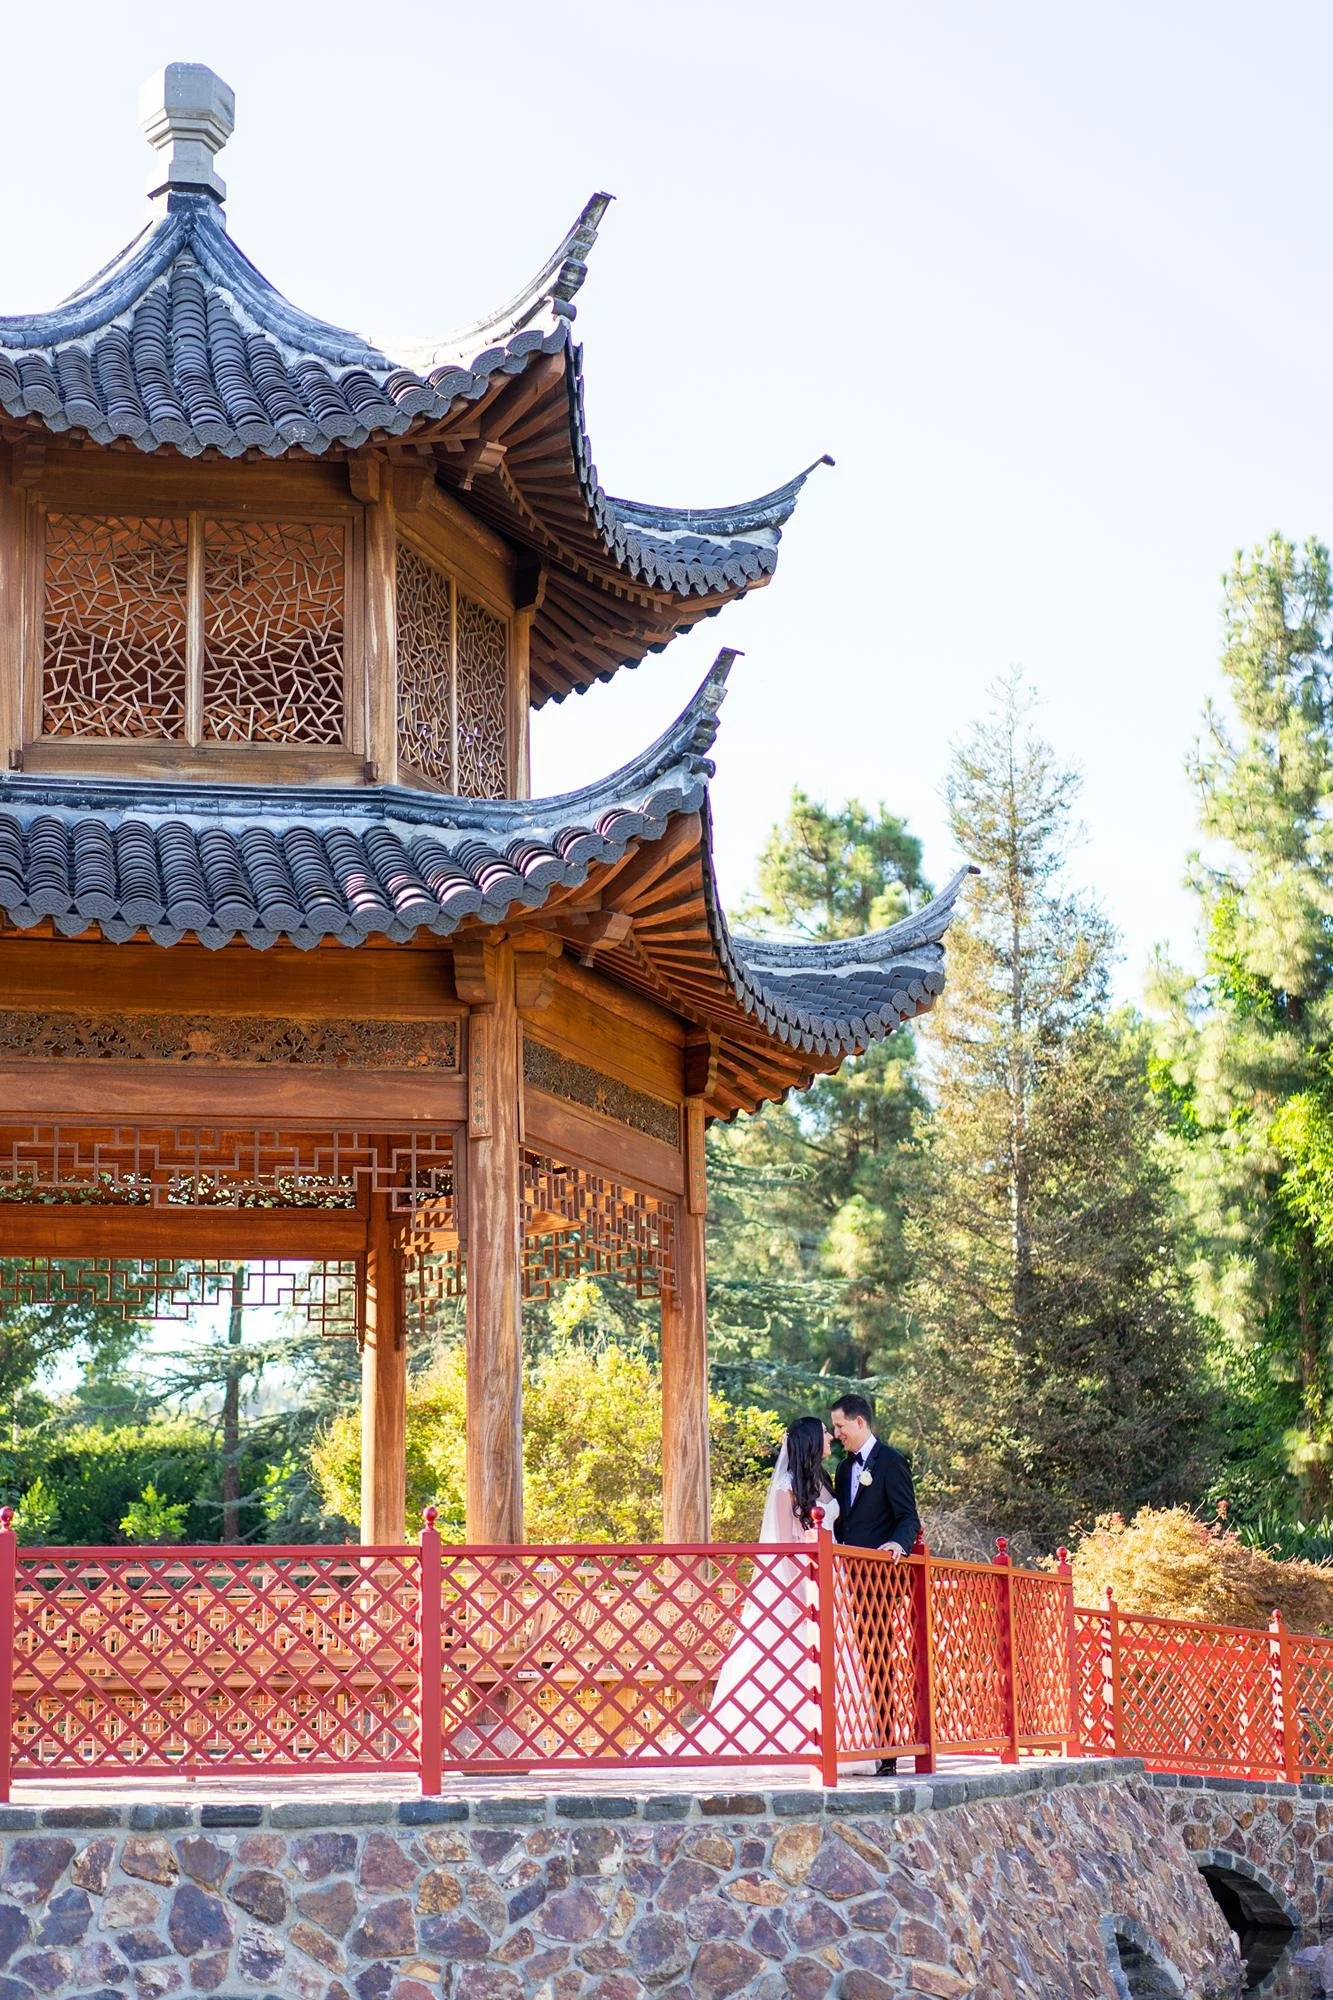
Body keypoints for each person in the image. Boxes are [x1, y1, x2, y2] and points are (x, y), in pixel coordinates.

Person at [692, 1415, 839, 1758]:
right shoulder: (787, 1486)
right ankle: (795, 1740)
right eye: (825, 1433)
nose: (830, 1437)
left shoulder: (824, 1481)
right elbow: (783, 1546)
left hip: (835, 1578)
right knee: (795, 1659)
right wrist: (803, 1594)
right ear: (811, 1442)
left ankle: (837, 1737)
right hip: (799, 1581)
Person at [829, 1393, 921, 1776]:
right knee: (847, 1663)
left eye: (840, 1426)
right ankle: (854, 1742)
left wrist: (897, 1544)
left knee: (878, 1661)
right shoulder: (842, 1470)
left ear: (860, 1422)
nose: (836, 1435)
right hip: (842, 1579)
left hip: (878, 1582)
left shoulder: (892, 1462)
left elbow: (908, 1518)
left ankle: (887, 1751)